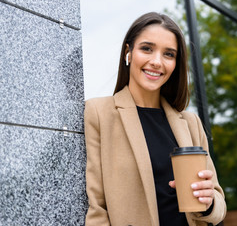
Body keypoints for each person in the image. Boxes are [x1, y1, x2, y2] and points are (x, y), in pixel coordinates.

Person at [84, 12, 226, 226]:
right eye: (147, 49)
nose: (157, 62)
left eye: (169, 54)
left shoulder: (190, 123)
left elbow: (218, 201)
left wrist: (209, 203)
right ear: (128, 53)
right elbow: (96, 208)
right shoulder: (98, 113)